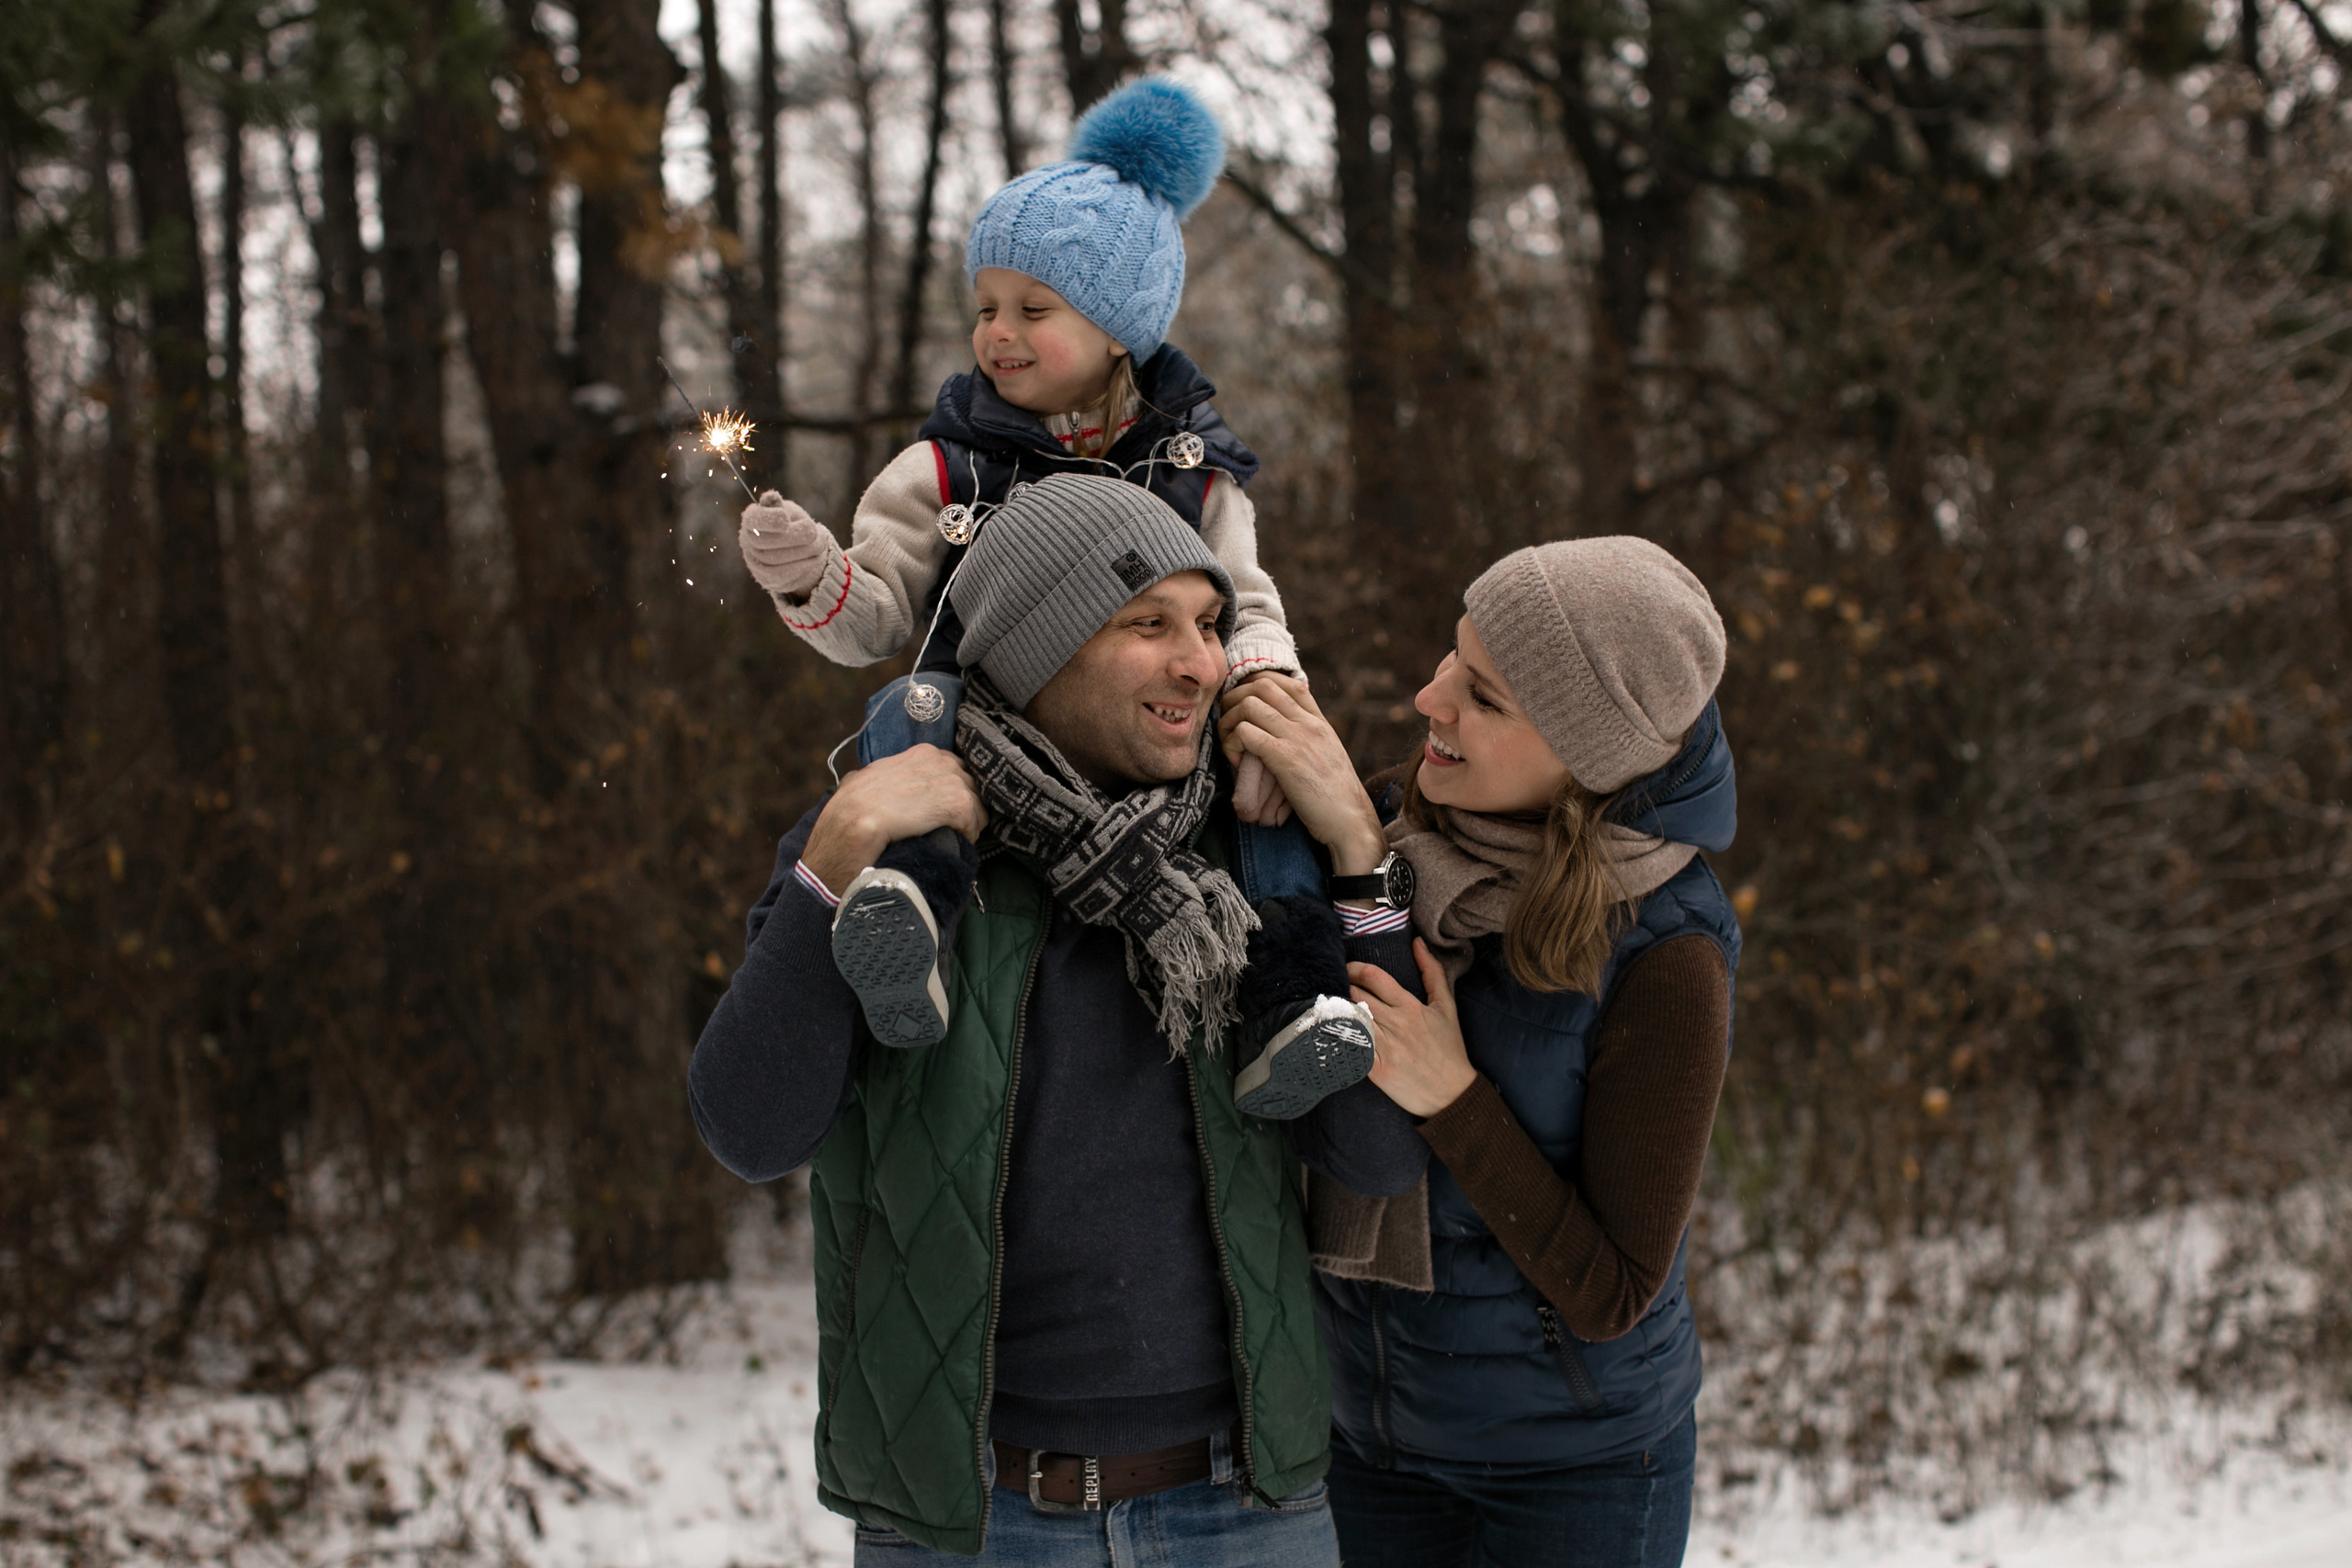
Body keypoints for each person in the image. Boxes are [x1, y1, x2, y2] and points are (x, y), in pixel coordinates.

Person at [689, 474, 1430, 1563]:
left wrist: (1360, 863)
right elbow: (748, 1130)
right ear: (1037, 646)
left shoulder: (1247, 854)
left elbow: (1373, 1155)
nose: (1202, 663)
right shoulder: (894, 846)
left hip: (1242, 1509)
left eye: (1211, 625)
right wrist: (833, 856)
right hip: (969, 1515)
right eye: (1149, 624)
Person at [732, 76, 1367, 1121]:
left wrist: (1258, 689)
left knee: (1274, 772)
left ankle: (1288, 1000)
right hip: (984, 745)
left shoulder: (1194, 472)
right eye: (986, 307)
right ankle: (910, 924)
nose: (999, 332)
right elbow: (878, 615)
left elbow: (1248, 603)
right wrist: (812, 575)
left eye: (1035, 309)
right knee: (904, 714)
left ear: (1119, 327)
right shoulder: (943, 470)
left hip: (1161, 743)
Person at [1219, 537, 1741, 1567]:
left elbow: (1612, 1290)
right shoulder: (1396, 839)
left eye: (1483, 697)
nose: (1428, 699)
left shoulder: (1666, 954)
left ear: (1587, 758)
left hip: (1575, 1470)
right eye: (1450, 661)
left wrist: (1452, 1097)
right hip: (1368, 1440)